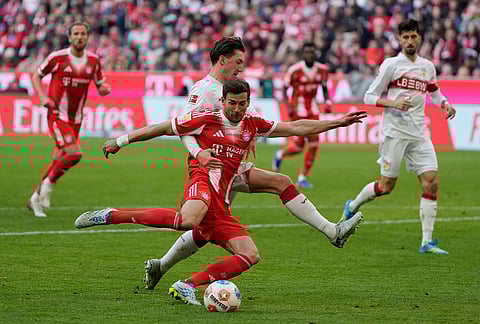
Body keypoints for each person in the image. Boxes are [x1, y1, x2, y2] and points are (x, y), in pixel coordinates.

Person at [75, 79, 367, 305]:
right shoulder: (206, 117)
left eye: (242, 104)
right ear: (223, 100)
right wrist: (121, 140)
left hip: (222, 201)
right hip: (202, 180)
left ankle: (187, 285)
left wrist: (336, 123)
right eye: (232, 103)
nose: (237, 109)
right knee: (189, 219)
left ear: (248, 102)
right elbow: (162, 127)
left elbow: (295, 127)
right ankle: (111, 215)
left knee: (249, 255)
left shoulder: (253, 124)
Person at [142, 37, 357, 291]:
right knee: (211, 226)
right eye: (239, 61)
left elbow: (244, 121)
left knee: (215, 223)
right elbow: (183, 129)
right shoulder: (205, 89)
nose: (241, 67)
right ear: (223, 60)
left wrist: (248, 135)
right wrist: (200, 153)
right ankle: (174, 275)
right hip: (213, 169)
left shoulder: (230, 89)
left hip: (230, 167)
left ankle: (161, 267)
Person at [341, 19, 456, 255]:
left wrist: (445, 103)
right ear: (399, 39)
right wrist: (392, 102)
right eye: (406, 37)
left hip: (419, 134)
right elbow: (369, 96)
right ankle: (352, 205)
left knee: (431, 181)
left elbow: (434, 93)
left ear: (420, 38)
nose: (410, 41)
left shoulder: (427, 66)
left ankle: (426, 242)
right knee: (386, 186)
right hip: (394, 133)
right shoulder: (391, 65)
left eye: (414, 36)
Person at [27, 21, 111, 217]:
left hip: (76, 119)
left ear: (88, 37)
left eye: (83, 34)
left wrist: (104, 89)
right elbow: (35, 76)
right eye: (76, 33)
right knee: (74, 154)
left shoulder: (94, 61)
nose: (80, 37)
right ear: (69, 37)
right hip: (57, 114)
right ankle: (47, 187)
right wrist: (42, 97)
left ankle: (35, 197)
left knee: (59, 158)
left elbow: (100, 84)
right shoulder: (57, 58)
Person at [272, 42, 333, 188]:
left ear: (315, 54)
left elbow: (324, 88)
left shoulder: (322, 70)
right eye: (307, 52)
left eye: (312, 52)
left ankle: (302, 177)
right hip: (297, 112)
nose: (309, 55)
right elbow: (284, 88)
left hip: (313, 111)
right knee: (298, 147)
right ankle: (280, 155)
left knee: (314, 144)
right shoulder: (295, 70)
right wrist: (288, 107)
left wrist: (328, 102)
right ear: (303, 54)